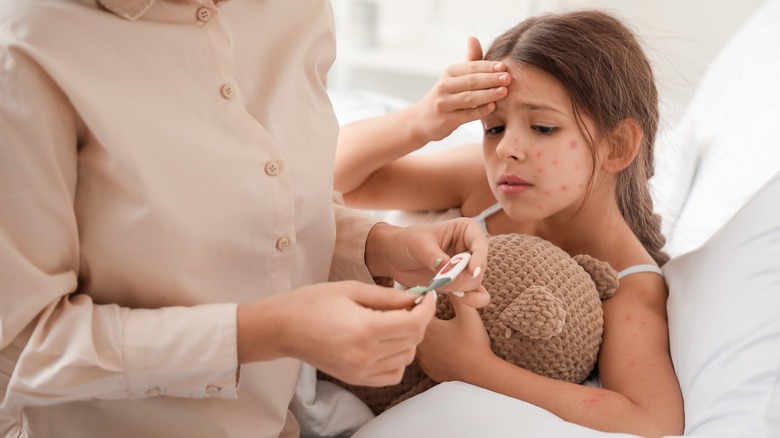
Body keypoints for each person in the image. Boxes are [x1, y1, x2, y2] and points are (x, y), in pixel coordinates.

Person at [0, 0, 491, 437]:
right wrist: (265, 332)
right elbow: (22, 349)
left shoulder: (296, 13)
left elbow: (267, 194)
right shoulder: (30, 46)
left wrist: (377, 246)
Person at [334, 10, 684, 437]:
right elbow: (337, 180)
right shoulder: (481, 187)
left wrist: (474, 369)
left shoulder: (629, 283)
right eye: (494, 128)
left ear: (617, 146)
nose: (508, 149)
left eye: (542, 127)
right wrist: (421, 119)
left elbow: (652, 421)